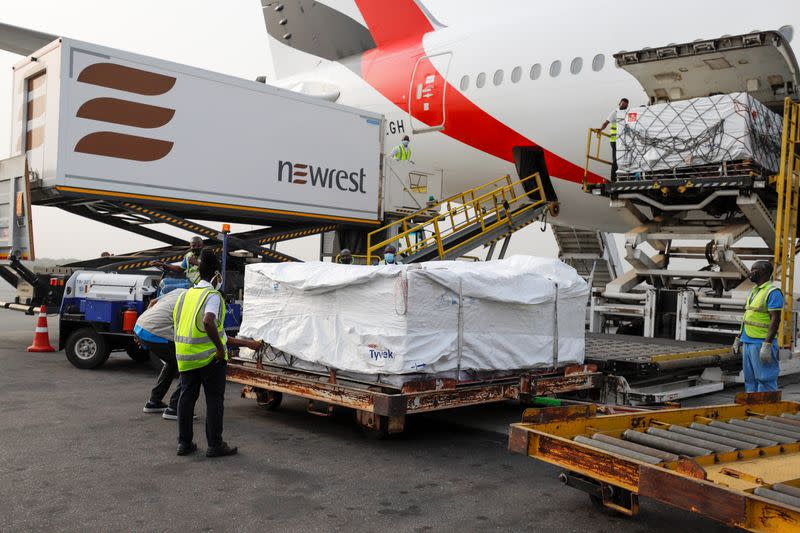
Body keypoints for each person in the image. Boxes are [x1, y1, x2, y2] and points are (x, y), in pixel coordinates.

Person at [172, 249, 263, 457]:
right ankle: (215, 444)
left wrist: (245, 344)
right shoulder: (211, 296)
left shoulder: (186, 296)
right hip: (209, 358)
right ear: (215, 274)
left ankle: (184, 444)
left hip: (185, 357)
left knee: (186, 399)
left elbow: (209, 330)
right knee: (214, 400)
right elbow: (208, 321)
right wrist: (221, 351)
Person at [732, 261, 783, 392]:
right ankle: (754, 409)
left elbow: (775, 320)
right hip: (748, 340)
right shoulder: (754, 291)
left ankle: (768, 409)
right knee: (750, 379)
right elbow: (748, 317)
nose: (751, 272)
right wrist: (739, 338)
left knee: (765, 378)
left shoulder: (773, 292)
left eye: (754, 269)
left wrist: (767, 344)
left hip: (761, 342)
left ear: (764, 272)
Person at [136, 289, 186, 420]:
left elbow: (153, 302)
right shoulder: (196, 299)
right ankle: (174, 408)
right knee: (187, 365)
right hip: (155, 331)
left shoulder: (179, 291)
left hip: (140, 325)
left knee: (172, 363)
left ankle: (154, 402)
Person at [598, 98, 629, 180]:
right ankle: (613, 178)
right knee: (616, 159)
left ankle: (621, 177)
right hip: (615, 140)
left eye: (625, 106)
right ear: (619, 104)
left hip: (622, 141)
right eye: (622, 105)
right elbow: (606, 122)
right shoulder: (615, 113)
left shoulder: (626, 113)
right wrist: (601, 129)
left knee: (622, 159)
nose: (624, 107)